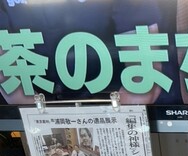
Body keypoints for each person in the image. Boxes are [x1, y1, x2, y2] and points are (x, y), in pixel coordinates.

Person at [0, 0, 164, 104]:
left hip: (109, 98)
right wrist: (33, 115)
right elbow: (4, 63)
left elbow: (142, 48)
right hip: (35, 100)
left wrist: (131, 102)